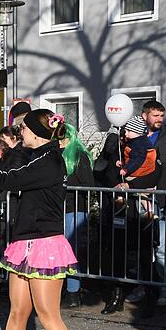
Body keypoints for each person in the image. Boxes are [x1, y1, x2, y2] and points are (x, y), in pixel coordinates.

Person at [0, 109, 82, 330]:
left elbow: (7, 181)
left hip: (45, 244)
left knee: (49, 314)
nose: (19, 132)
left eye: (23, 128)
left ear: (37, 132)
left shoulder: (49, 161)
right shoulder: (35, 156)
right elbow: (13, 169)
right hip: (24, 241)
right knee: (17, 310)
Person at [125, 100, 166, 308]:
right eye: (155, 116)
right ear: (144, 116)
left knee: (163, 247)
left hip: (164, 200)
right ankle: (144, 287)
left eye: (162, 116)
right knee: (142, 245)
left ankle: (165, 289)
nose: (159, 120)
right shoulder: (134, 139)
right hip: (139, 199)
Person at [59, 123, 94, 308]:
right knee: (60, 251)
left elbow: (89, 184)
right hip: (60, 209)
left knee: (69, 252)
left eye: (61, 137)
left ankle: (73, 293)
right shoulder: (56, 154)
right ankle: (66, 289)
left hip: (75, 209)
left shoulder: (79, 155)